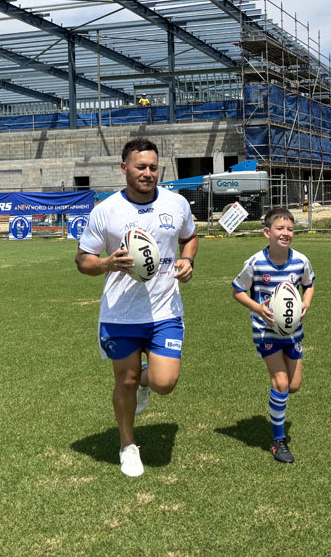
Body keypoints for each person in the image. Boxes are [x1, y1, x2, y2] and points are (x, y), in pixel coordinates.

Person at [75, 137, 198, 477]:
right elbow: (82, 259)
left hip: (165, 311)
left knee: (164, 383)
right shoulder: (106, 211)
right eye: (140, 167)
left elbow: (190, 236)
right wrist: (105, 264)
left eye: (153, 167)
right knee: (125, 380)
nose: (147, 173)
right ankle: (127, 446)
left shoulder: (176, 204)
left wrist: (188, 260)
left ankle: (147, 382)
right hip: (120, 314)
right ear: (124, 168)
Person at [231, 208, 315, 464]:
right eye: (280, 228)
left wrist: (306, 303)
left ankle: (277, 408)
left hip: (293, 332)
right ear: (267, 232)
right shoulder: (256, 262)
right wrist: (258, 308)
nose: (286, 233)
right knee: (280, 383)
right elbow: (237, 290)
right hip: (265, 331)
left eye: (290, 229)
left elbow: (309, 284)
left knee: (293, 386)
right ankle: (278, 440)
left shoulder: (300, 260)